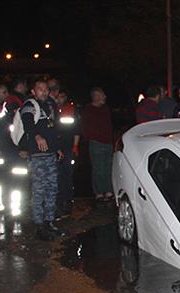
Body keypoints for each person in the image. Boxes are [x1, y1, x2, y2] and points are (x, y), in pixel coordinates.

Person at [21, 78, 63, 241]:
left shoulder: (51, 105)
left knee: (52, 189)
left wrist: (57, 147)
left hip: (51, 154)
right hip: (38, 155)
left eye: (46, 89)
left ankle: (49, 221)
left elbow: (54, 128)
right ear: (33, 91)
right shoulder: (30, 105)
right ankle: (38, 225)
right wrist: (37, 136)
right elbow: (28, 124)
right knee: (39, 190)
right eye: (40, 89)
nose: (44, 91)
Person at [81, 87, 114, 203]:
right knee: (98, 168)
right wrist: (90, 138)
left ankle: (108, 190)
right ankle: (99, 192)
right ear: (96, 97)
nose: (104, 97)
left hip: (108, 142)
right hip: (96, 142)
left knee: (108, 167)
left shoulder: (105, 108)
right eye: (102, 95)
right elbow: (84, 126)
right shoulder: (89, 109)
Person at [55, 89, 80, 218]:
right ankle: (58, 201)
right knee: (56, 176)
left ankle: (67, 201)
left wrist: (75, 146)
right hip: (54, 147)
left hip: (67, 146)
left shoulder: (71, 110)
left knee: (67, 174)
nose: (60, 98)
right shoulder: (50, 108)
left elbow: (76, 129)